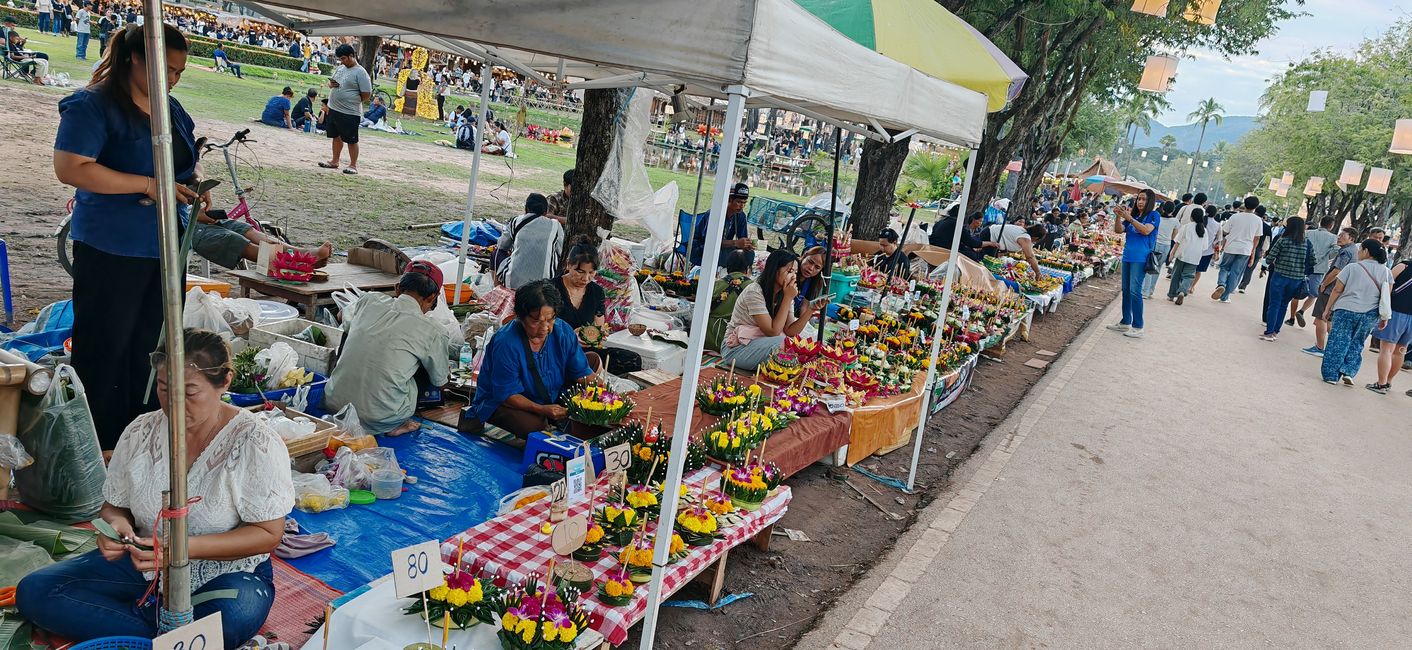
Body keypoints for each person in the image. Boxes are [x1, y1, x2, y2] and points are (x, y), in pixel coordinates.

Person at [16, 330, 295, 648]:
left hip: (226, 573)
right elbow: (114, 507)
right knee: (36, 591)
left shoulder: (254, 440)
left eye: (190, 392)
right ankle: (180, 640)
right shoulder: (140, 431)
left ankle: (153, 632)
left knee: (233, 616)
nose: (174, 404)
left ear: (225, 381)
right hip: (144, 565)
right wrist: (115, 528)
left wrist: (180, 549)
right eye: (164, 389)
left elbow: (269, 533)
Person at [54, 23, 197, 449]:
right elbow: (72, 167)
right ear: (136, 58)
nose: (171, 79)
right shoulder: (92, 105)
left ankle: (140, 441)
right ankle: (93, 446)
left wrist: (191, 193)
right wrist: (149, 184)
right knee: (105, 346)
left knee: (154, 349)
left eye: (178, 73)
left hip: (166, 248)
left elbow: (186, 163)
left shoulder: (171, 108)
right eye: (165, 69)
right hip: (111, 247)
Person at [325, 264, 451, 436]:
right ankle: (395, 424)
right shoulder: (434, 330)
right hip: (381, 418)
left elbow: (341, 316)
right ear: (432, 297)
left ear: (397, 288)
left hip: (333, 402)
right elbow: (440, 381)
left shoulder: (369, 300)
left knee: (350, 330)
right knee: (425, 364)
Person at [470, 280, 595, 438]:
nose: (545, 327)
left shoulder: (562, 331)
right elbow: (507, 395)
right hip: (505, 402)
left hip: (549, 394)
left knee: (592, 362)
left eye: (550, 319)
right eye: (536, 321)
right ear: (520, 317)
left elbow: (581, 371)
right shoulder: (506, 343)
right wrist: (542, 409)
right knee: (536, 428)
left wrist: (606, 393)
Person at [720, 249, 818, 371]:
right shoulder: (754, 291)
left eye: (795, 272)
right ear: (775, 270)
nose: (794, 276)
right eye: (790, 271)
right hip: (735, 349)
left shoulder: (785, 292)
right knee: (782, 344)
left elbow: (790, 331)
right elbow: (773, 331)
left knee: (797, 344)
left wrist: (810, 311)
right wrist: (787, 298)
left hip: (759, 344)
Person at [1320, 240, 1391, 385]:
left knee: (1338, 341)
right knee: (1357, 342)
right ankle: (1349, 371)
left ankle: (1331, 376)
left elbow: (1337, 290)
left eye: (1360, 250)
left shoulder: (1352, 268)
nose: (1358, 253)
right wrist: (1385, 317)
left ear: (1366, 251)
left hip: (1346, 310)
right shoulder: (1386, 272)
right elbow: (1386, 297)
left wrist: (1328, 308)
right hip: (1370, 314)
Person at [1105, 189, 1159, 338]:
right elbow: (1118, 230)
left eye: (1144, 199)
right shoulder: (1134, 215)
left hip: (1141, 258)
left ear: (1150, 202)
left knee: (1135, 291)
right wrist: (1118, 217)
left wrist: (1129, 218)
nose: (1140, 202)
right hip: (1128, 256)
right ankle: (1125, 321)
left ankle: (1138, 326)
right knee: (1126, 290)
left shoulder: (1153, 216)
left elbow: (1146, 231)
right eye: (1139, 199)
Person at [1304, 227, 1360, 357]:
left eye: (1342, 235)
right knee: (1329, 320)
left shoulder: (1345, 252)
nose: (1339, 237)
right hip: (1341, 289)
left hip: (1331, 288)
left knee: (1321, 317)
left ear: (1351, 238)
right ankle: (1334, 348)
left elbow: (1337, 271)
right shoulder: (1354, 251)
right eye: (1339, 235)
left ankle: (1319, 347)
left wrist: (1324, 284)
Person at [1259, 217, 1316, 342]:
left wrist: (1266, 266)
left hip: (1280, 276)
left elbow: (1269, 258)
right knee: (1284, 305)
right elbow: (1313, 261)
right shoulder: (1307, 243)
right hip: (1296, 279)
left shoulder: (1283, 240)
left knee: (1274, 304)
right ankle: (1275, 332)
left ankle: (1269, 331)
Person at [319, 43, 372, 175]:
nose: (342, 61)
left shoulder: (361, 72)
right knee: (335, 136)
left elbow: (366, 94)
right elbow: (332, 83)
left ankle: (353, 165)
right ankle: (334, 161)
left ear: (351, 56)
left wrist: (351, 99)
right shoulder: (340, 68)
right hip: (333, 108)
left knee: (351, 139)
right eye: (340, 59)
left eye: (344, 58)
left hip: (349, 112)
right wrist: (331, 84)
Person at [498, 193, 565, 290]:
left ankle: (498, 291)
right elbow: (561, 251)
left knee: (496, 254)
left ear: (526, 209)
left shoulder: (516, 221)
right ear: (546, 212)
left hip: (513, 283)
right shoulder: (555, 225)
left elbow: (502, 245)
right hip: (545, 284)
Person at [1365, 257, 1411, 394]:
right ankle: (1389, 381)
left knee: (1386, 350)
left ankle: (1381, 383)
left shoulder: (1404, 266)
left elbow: (1386, 285)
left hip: (1396, 313)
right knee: (1401, 350)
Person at [1287, 216, 1338, 328]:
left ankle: (1291, 318)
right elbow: (1335, 252)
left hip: (1302, 267)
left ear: (1320, 222)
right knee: (1314, 294)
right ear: (1331, 226)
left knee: (1296, 293)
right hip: (1319, 269)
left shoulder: (1307, 233)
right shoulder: (1333, 238)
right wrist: (1327, 256)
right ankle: (1301, 311)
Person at [1212, 196, 1264, 303]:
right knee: (1235, 273)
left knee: (1224, 267)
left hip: (1231, 246)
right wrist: (1253, 253)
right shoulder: (1258, 220)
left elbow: (1225, 231)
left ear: (1244, 204)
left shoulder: (1235, 217)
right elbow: (1257, 238)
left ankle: (1221, 284)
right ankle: (1225, 296)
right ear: (1256, 206)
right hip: (1246, 249)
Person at [690, 182, 754, 267]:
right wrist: (735, 243)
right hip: (702, 249)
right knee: (722, 255)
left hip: (724, 248)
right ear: (729, 200)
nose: (742, 206)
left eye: (744, 203)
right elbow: (710, 242)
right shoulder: (715, 214)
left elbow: (742, 238)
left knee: (750, 254)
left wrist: (746, 245)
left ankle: (737, 277)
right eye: (739, 202)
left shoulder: (740, 216)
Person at [707, 251, 753, 352]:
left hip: (708, 338)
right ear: (748, 268)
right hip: (733, 342)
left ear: (727, 266)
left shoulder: (715, 284)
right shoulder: (753, 288)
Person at [1166, 202, 1211, 305]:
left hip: (1182, 255)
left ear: (1191, 216)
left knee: (1176, 275)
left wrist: (1172, 254)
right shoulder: (1204, 230)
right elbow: (1204, 247)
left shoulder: (1186, 227)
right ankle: (1182, 291)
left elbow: (1178, 242)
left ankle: (1172, 294)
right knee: (1188, 276)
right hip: (1195, 258)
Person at [1143, 200, 1179, 298]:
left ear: (1163, 208)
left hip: (1154, 243)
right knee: (1157, 268)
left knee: (1150, 266)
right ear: (1173, 210)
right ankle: (1150, 291)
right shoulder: (1175, 221)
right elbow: (1174, 236)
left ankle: (1144, 291)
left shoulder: (1157, 217)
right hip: (1166, 246)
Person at [1191, 203, 1221, 290]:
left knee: (1190, 268)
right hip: (1207, 252)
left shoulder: (1198, 222)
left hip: (1194, 249)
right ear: (1215, 214)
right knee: (1198, 271)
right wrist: (1217, 253)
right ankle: (1192, 287)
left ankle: (1185, 284)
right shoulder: (1217, 225)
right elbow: (1218, 241)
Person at [796, 245, 826, 313]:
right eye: (810, 262)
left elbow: (804, 306)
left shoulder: (813, 281)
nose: (811, 268)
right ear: (805, 256)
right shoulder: (790, 270)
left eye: (817, 267)